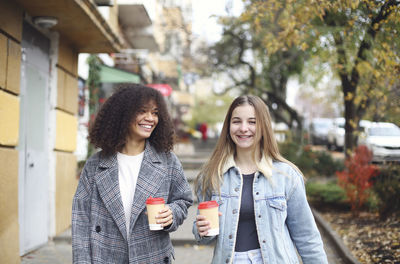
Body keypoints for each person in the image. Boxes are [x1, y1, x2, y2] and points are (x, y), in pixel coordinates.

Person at [193, 95, 328, 264]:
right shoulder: (212, 175)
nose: (243, 128)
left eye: (252, 122)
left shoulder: (286, 176)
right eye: (236, 121)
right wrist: (202, 230)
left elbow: (307, 237)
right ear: (228, 126)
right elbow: (203, 238)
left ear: (263, 126)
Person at [72, 84, 193, 264]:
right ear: (123, 114)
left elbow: (183, 200)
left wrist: (172, 213)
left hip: (152, 256)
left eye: (155, 113)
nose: (150, 118)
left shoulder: (168, 161)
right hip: (104, 256)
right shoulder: (95, 164)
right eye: (142, 111)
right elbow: (81, 218)